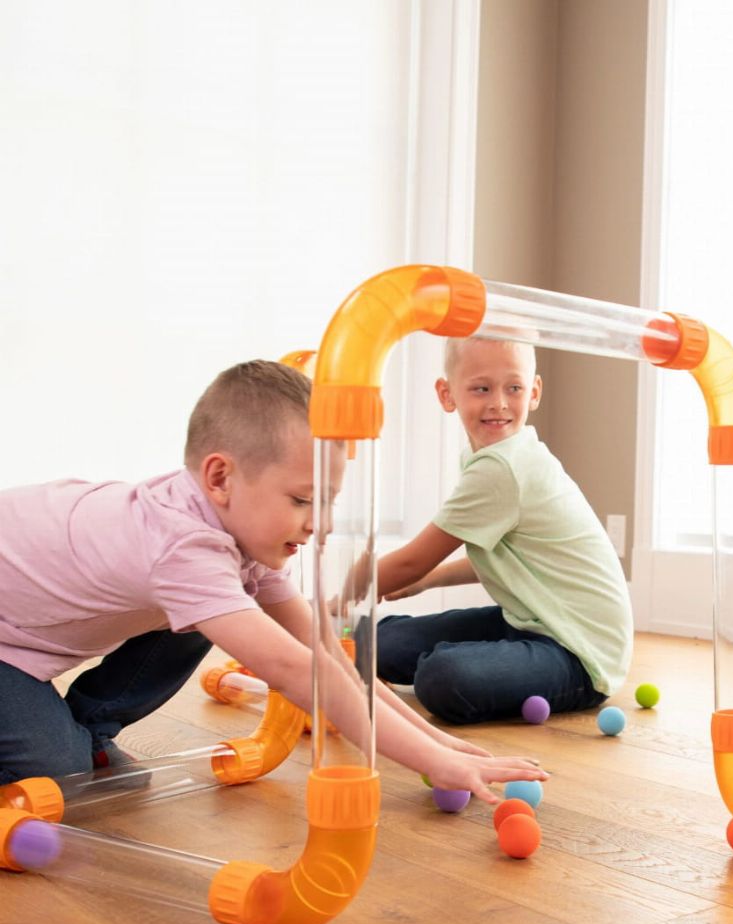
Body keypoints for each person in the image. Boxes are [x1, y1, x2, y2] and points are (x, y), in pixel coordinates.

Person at [0, 359, 543, 803]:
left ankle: (89, 729)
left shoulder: (238, 532)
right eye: (303, 500)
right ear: (220, 477)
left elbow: (323, 650)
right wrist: (434, 764)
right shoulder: (182, 545)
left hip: (30, 627)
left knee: (205, 620)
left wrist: (438, 743)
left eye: (327, 502)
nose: (319, 524)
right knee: (58, 773)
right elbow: (293, 669)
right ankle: (68, 745)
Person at [373, 336, 633, 724]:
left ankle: (471, 665)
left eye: (514, 388)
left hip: (579, 652)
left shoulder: (505, 467)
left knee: (442, 677)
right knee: (379, 642)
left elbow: (412, 561)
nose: (498, 403)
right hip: (528, 620)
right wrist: (428, 581)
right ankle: (483, 662)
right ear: (447, 394)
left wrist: (337, 598)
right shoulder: (490, 459)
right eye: (481, 388)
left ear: (534, 392)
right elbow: (509, 560)